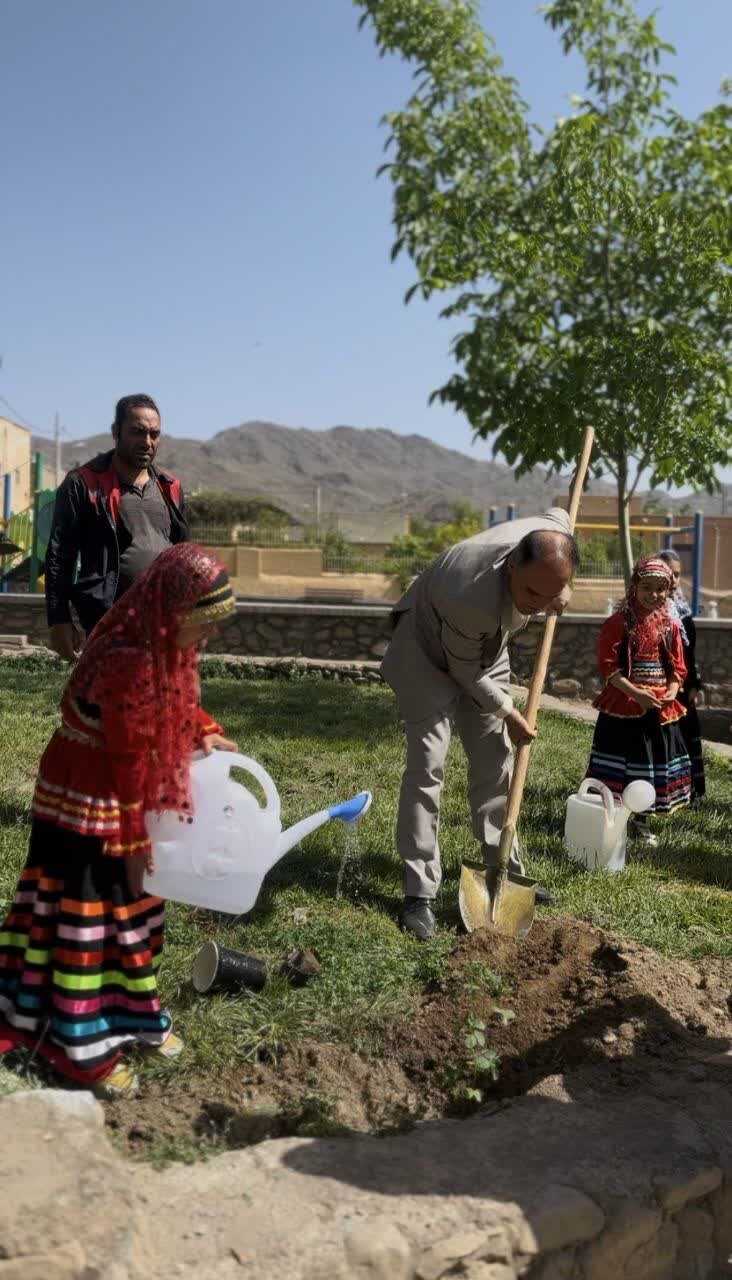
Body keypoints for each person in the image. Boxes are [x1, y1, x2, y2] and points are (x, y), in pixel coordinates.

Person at [0, 544, 237, 1096]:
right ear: (171, 614)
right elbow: (132, 758)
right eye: (202, 625)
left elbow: (173, 704)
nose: (207, 638)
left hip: (106, 784)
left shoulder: (154, 643)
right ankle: (80, 1047)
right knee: (93, 915)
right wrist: (137, 848)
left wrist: (201, 732)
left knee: (130, 911)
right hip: (93, 797)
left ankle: (129, 1018)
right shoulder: (130, 661)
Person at [381, 508, 579, 940]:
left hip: (485, 650)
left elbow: (561, 515)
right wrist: (510, 712)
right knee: (427, 765)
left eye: (550, 594)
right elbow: (464, 671)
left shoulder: (552, 539)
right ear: (511, 565)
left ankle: (503, 867)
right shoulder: (466, 593)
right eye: (531, 591)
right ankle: (418, 893)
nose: (539, 604)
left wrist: (556, 592)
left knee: (495, 760)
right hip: (427, 654)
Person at [45, 393, 188, 660]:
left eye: (154, 434)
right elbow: (60, 555)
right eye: (137, 432)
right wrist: (58, 619)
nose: (147, 442)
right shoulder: (83, 483)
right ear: (116, 431)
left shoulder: (171, 487)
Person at [586, 556, 692, 844]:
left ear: (668, 591)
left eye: (660, 589)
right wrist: (636, 693)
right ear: (634, 587)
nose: (653, 595)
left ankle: (641, 822)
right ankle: (610, 819)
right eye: (647, 587)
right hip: (624, 704)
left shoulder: (670, 625)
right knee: (619, 763)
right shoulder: (618, 623)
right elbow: (609, 668)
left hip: (656, 708)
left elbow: (678, 669)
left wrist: (672, 689)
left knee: (649, 766)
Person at [657, 549, 705, 803]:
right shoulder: (650, 609)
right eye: (668, 573)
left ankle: (694, 794)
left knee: (688, 736)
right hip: (657, 684)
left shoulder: (683, 612)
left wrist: (695, 683)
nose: (674, 580)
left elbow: (690, 651)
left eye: (677, 574)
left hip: (683, 686)